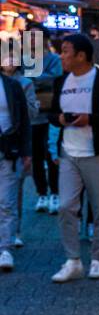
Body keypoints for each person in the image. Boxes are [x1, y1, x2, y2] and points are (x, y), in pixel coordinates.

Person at [49, 32, 99, 282]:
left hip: (97, 154)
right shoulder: (61, 81)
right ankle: (73, 260)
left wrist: (90, 119)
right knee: (65, 207)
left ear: (81, 56)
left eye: (65, 51)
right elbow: (53, 113)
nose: (61, 56)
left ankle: (96, 259)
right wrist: (60, 119)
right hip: (69, 154)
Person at [1, 56, 38, 248]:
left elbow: (30, 115)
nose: (8, 61)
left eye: (12, 57)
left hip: (13, 144)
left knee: (13, 192)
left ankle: (13, 233)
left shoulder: (23, 83)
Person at [31, 28, 62, 212]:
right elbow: (23, 81)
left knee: (52, 155)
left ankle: (55, 193)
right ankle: (41, 193)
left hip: (50, 114)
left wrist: (35, 79)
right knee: (35, 157)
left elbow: (55, 79)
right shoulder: (27, 60)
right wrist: (40, 79)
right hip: (32, 116)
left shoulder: (54, 59)